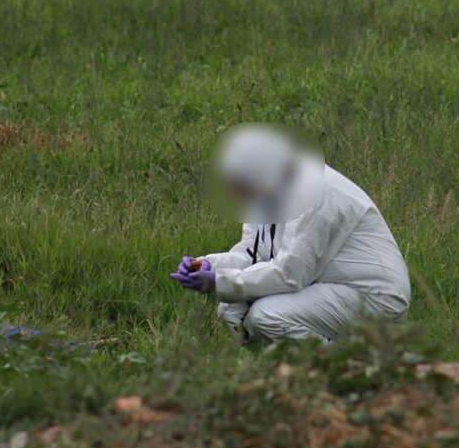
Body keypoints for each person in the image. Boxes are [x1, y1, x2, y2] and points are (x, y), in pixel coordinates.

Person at [170, 124, 410, 343]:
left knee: (266, 316)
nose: (241, 196)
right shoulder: (267, 191)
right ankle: (266, 371)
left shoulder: (316, 193)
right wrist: (208, 264)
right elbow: (254, 255)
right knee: (231, 307)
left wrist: (219, 281)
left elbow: (290, 274)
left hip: (374, 297)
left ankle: (345, 368)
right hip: (325, 284)